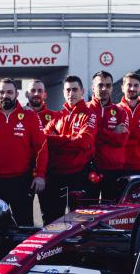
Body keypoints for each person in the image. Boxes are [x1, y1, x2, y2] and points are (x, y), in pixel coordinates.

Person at [0, 78, 47, 224]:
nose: (5, 95)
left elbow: (41, 146)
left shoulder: (30, 116)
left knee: (24, 223)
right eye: (1, 92)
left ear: (16, 94)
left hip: (21, 181)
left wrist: (40, 175)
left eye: (9, 92)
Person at [42, 76, 99, 221]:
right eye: (68, 90)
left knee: (80, 220)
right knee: (52, 219)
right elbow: (43, 138)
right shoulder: (58, 116)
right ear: (63, 92)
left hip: (79, 175)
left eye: (75, 89)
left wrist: (56, 140)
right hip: (57, 175)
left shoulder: (89, 114)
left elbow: (83, 141)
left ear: (82, 92)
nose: (71, 93)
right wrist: (69, 140)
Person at [87, 71, 130, 194]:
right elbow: (86, 138)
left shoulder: (121, 112)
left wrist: (96, 131)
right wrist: (112, 132)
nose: (104, 88)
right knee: (89, 210)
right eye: (100, 85)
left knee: (112, 210)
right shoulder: (85, 110)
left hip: (114, 169)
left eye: (108, 85)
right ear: (93, 87)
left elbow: (121, 140)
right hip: (89, 168)